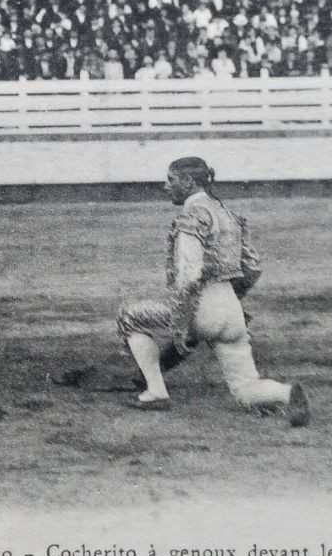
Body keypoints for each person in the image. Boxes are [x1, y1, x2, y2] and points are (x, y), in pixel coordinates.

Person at [115, 157, 309, 425]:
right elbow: (252, 267)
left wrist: (183, 319)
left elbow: (189, 273)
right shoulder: (228, 214)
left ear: (188, 182)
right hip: (230, 310)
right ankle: (286, 393)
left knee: (129, 317)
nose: (165, 186)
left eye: (171, 180)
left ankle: (155, 391)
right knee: (244, 387)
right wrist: (234, 301)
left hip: (200, 306)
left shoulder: (192, 216)